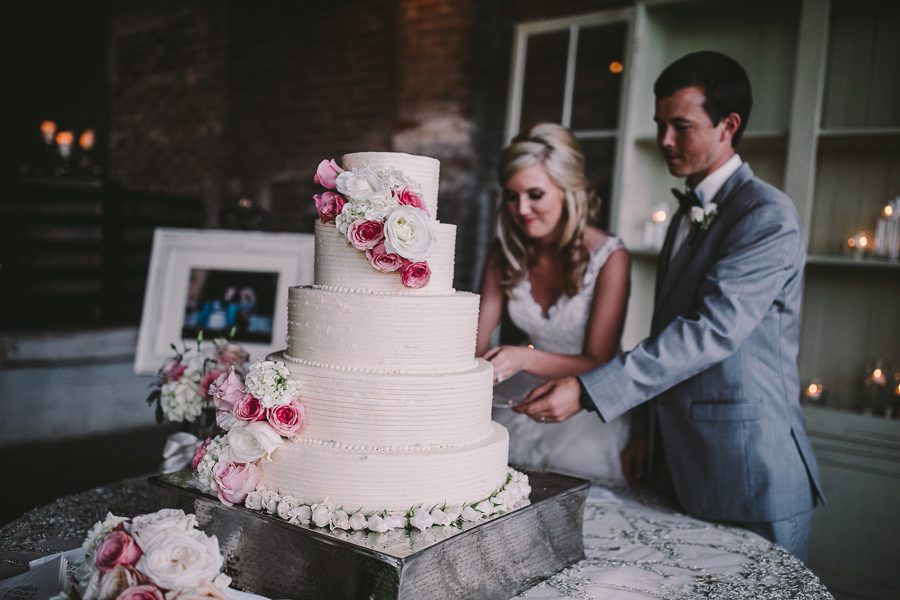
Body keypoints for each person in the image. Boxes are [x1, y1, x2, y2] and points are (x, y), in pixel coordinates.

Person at [514, 51, 825, 562]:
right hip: (675, 462)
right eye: (660, 125)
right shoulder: (683, 217)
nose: (664, 140)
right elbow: (667, 332)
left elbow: (708, 333)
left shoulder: (766, 215)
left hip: (750, 471)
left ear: (728, 126)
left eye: (681, 126)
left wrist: (589, 392)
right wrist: (645, 431)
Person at [476, 122, 632, 483]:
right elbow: (476, 342)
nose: (522, 209)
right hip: (521, 388)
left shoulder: (610, 257)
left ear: (567, 191)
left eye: (535, 195)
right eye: (511, 196)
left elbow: (599, 360)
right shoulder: (505, 252)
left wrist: (522, 357)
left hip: (585, 397)